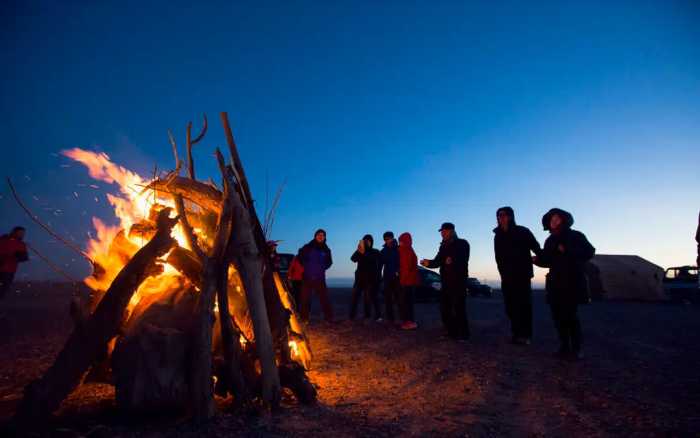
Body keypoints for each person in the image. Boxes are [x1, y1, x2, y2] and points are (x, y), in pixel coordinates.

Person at [534, 208, 595, 360]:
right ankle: (564, 347)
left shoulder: (576, 235)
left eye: (557, 219)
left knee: (570, 316)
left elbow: (589, 252)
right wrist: (537, 260)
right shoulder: (550, 240)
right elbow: (548, 261)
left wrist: (567, 249)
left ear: (564, 220)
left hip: (572, 281)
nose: (553, 221)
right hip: (555, 282)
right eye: (551, 219)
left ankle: (576, 349)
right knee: (557, 316)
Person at [493, 207, 542, 345]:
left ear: (510, 216)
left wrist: (541, 258)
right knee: (510, 307)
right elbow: (498, 257)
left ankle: (526, 336)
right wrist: (502, 273)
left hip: (522, 275)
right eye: (498, 215)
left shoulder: (522, 231)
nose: (500, 218)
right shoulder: (498, 236)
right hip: (507, 277)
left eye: (503, 215)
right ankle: (516, 334)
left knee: (524, 306)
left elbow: (535, 246)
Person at [420, 222, 470, 340]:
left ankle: (463, 334)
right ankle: (451, 331)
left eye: (444, 231)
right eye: (441, 231)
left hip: (458, 281)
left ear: (451, 231)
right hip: (446, 281)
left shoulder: (462, 243)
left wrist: (451, 260)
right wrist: (428, 263)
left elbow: (462, 259)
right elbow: (438, 261)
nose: (442, 233)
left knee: (459, 308)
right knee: (444, 308)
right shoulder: (443, 246)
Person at [298, 229, 334, 323]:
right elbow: (300, 255)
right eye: (319, 235)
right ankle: (304, 319)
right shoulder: (308, 247)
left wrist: (322, 268)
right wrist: (305, 265)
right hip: (307, 277)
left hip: (319, 278)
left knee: (324, 298)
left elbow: (329, 262)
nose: (320, 236)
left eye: (322, 235)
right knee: (305, 299)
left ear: (325, 237)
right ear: (315, 236)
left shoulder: (326, 250)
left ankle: (328, 318)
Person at [350, 234, 382, 321]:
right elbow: (352, 259)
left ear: (372, 242)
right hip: (359, 279)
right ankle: (351, 316)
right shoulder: (360, 251)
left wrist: (364, 253)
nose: (367, 242)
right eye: (365, 241)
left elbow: (374, 260)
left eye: (369, 241)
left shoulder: (375, 251)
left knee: (367, 299)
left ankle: (367, 317)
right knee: (354, 298)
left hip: (370, 280)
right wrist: (358, 250)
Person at [0, 227, 29, 300]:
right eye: (20, 233)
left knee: (4, 289)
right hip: (2, 268)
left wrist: (19, 256)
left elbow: (24, 257)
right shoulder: (4, 240)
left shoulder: (21, 244)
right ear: (14, 232)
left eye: (23, 233)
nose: (22, 235)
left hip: (10, 270)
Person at [398, 232, 419, 330]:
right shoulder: (410, 250)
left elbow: (405, 267)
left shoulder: (405, 251)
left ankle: (409, 323)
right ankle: (410, 322)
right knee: (408, 303)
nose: (400, 243)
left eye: (401, 241)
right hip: (410, 281)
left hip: (406, 282)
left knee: (406, 303)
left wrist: (402, 281)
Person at [380, 231, 401, 324]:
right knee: (388, 299)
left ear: (393, 238)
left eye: (389, 238)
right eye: (385, 239)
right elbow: (380, 265)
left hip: (398, 278)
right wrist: (380, 277)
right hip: (387, 278)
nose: (387, 240)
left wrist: (399, 271)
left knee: (399, 299)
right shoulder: (383, 251)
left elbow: (402, 262)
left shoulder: (399, 249)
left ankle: (402, 318)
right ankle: (390, 319)